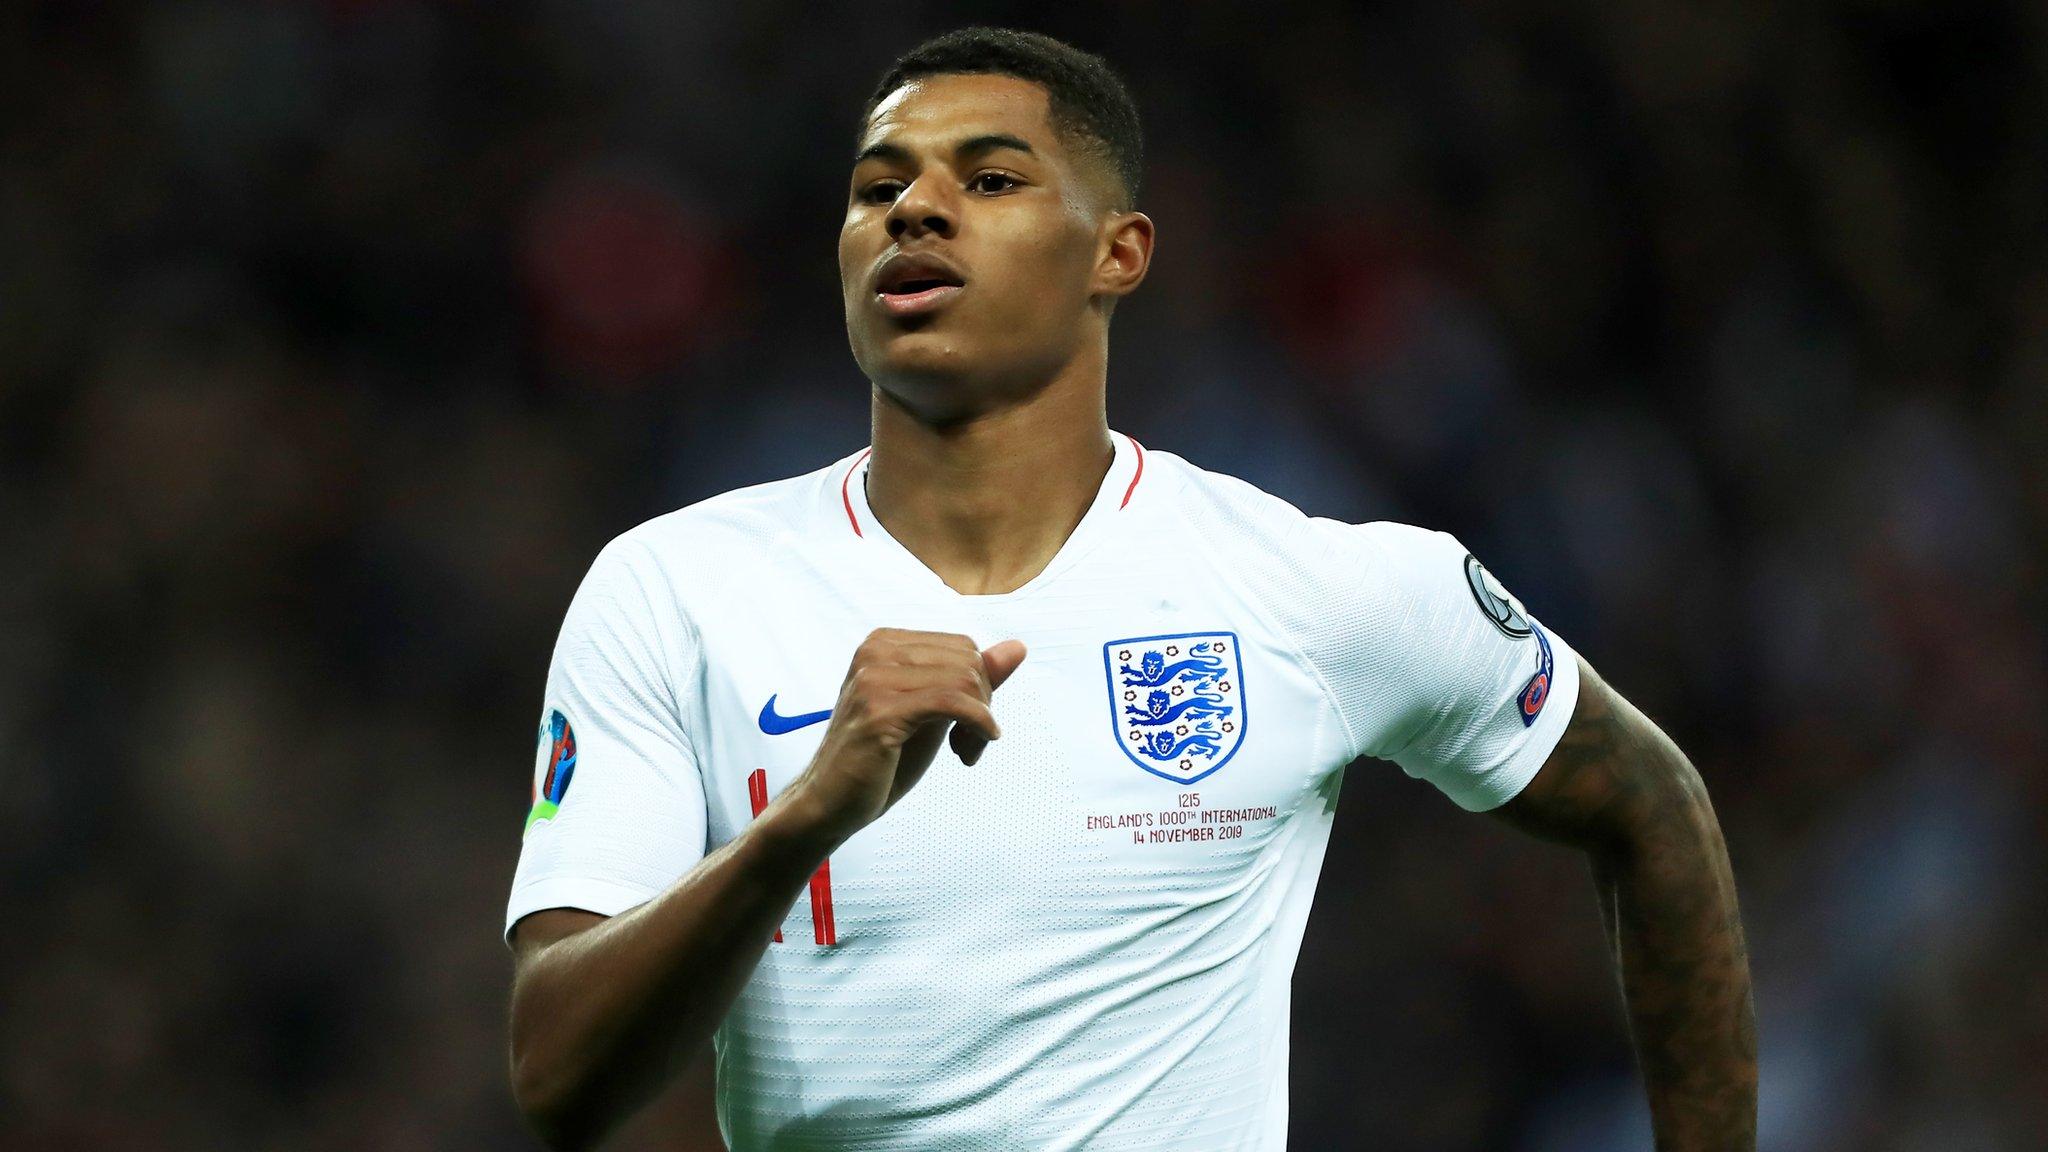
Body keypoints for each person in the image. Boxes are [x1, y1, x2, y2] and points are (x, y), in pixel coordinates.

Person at [505, 27, 1756, 1152]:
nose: (914, 212)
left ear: (1118, 251)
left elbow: (1653, 810)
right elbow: (557, 1076)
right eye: (877, 188)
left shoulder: (1312, 588)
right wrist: (802, 825)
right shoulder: (677, 588)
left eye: (987, 180)